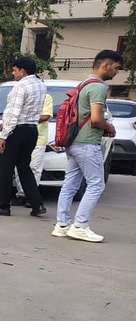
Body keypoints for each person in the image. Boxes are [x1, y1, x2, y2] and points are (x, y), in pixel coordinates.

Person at [52, 50, 122, 243]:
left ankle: (62, 224)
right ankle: (80, 226)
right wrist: (109, 127)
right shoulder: (98, 87)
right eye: (116, 68)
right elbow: (97, 119)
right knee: (96, 184)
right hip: (87, 143)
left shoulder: (83, 84)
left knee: (69, 185)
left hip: (73, 142)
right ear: (106, 65)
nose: (116, 73)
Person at [0, 57, 47, 217]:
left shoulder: (21, 86)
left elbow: (14, 112)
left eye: (14, 70)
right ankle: (37, 204)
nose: (13, 73)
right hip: (32, 130)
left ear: (22, 71)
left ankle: (2, 205)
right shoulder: (40, 85)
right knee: (24, 167)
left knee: (5, 168)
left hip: (16, 132)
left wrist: (3, 136)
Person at [13, 93, 53, 205]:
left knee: (34, 168)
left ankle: (31, 196)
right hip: (21, 136)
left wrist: (26, 120)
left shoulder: (46, 97)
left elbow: (46, 116)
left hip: (38, 138)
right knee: (19, 168)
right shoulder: (22, 96)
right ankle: (21, 194)